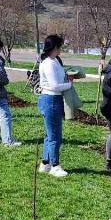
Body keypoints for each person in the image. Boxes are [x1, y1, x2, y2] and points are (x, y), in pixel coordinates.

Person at [38, 34, 74, 178]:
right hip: (51, 100)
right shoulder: (48, 63)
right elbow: (54, 85)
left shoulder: (54, 61)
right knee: (55, 136)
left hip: (54, 100)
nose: (61, 49)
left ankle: (45, 163)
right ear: (54, 47)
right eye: (59, 46)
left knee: (49, 135)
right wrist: (69, 84)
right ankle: (55, 165)